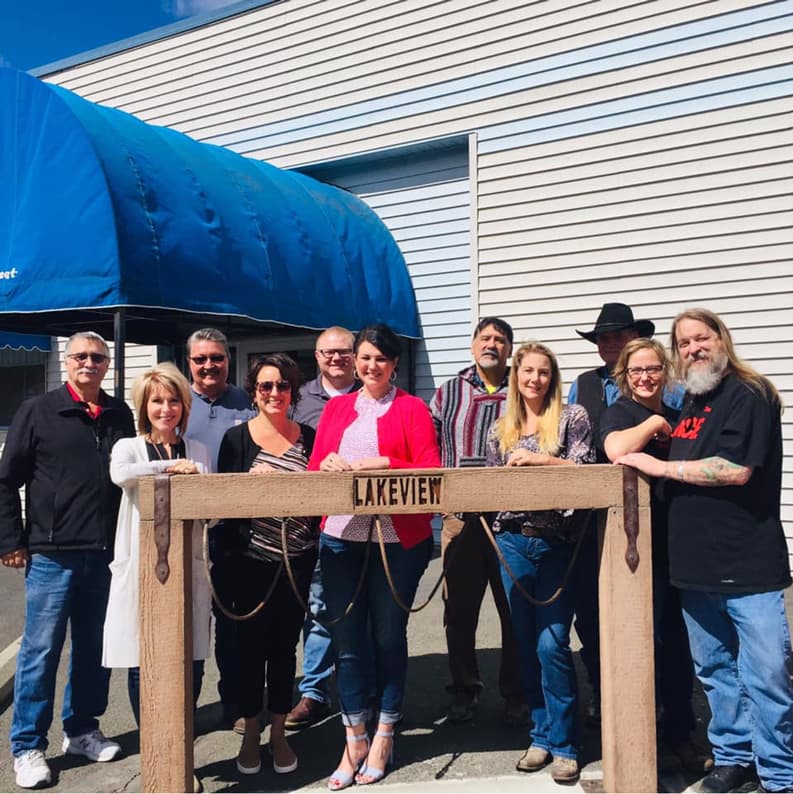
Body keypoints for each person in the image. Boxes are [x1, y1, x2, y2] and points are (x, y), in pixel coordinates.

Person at [615, 308, 793, 794]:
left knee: (767, 677)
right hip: (695, 567)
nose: (693, 348)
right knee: (715, 673)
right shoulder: (691, 403)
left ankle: (779, 775)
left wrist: (659, 468)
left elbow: (735, 469)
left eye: (700, 338)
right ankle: (734, 761)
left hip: (747, 563)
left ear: (721, 338)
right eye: (684, 343)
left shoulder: (749, 394)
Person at [0, 332, 135, 789]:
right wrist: (10, 540)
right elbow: (5, 480)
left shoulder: (119, 414)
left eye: (98, 357)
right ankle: (27, 746)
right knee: (41, 652)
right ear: (66, 360)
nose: (89, 364)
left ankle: (81, 729)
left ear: (107, 363)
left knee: (94, 650)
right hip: (52, 555)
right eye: (81, 356)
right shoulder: (37, 411)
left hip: (103, 554)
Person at [308, 323, 440, 790]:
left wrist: (385, 464)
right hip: (343, 534)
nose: (371, 366)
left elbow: (429, 468)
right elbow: (316, 465)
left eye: (380, 359)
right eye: (364, 358)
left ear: (394, 363)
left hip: (395, 538)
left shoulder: (413, 408)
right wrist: (325, 464)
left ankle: (385, 730)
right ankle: (354, 735)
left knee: (387, 633)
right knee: (346, 638)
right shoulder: (339, 408)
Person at [600, 339, 710, 774]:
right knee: (644, 644)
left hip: (683, 542)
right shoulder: (621, 413)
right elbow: (614, 449)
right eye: (635, 371)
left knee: (680, 645)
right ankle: (643, 740)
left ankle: (680, 733)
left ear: (665, 371)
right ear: (624, 377)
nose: (645, 377)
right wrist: (654, 427)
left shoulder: (686, 411)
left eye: (652, 369)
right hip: (638, 548)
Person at [486, 341, 593, 784]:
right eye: (528, 371)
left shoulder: (572, 418)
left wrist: (539, 460)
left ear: (553, 377)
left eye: (543, 372)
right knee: (525, 642)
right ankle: (540, 735)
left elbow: (584, 467)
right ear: (517, 376)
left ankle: (566, 744)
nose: (535, 379)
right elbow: (491, 485)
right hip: (512, 542)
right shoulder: (500, 427)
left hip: (554, 542)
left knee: (553, 644)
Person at [217, 353, 317, 777]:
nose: (274, 393)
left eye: (282, 386)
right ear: (254, 392)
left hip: (295, 565)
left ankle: (279, 732)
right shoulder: (236, 440)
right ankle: (251, 731)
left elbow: (321, 496)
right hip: (248, 564)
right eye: (265, 386)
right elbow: (223, 504)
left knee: (283, 652)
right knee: (247, 653)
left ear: (293, 392)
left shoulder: (309, 437)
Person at [567, 301, 665, 723]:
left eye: (617, 336)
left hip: (650, 507)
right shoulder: (582, 384)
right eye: (603, 337)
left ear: (633, 339)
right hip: (592, 509)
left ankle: (652, 698)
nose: (609, 343)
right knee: (590, 606)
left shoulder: (657, 384)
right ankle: (602, 687)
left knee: (654, 608)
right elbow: (567, 433)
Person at [102, 362, 213, 726]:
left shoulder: (198, 449)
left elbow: (211, 507)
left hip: (188, 564)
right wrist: (169, 468)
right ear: (144, 407)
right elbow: (121, 475)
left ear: (184, 406)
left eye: (173, 401)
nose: (166, 409)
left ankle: (183, 739)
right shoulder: (129, 447)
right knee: (143, 655)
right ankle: (152, 741)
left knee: (190, 658)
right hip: (142, 563)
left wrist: (190, 469)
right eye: (157, 401)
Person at [429, 317, 527, 725]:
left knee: (514, 609)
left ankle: (517, 693)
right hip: (461, 517)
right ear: (472, 346)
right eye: (485, 338)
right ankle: (464, 689)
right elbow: (430, 444)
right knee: (460, 610)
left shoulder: (523, 389)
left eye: (500, 340)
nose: (492, 345)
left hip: (512, 517)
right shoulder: (449, 391)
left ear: (509, 349)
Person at [182, 328, 256, 731]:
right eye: (200, 359)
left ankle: (237, 705)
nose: (209, 365)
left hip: (233, 531)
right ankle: (185, 711)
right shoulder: (176, 400)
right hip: (187, 532)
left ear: (228, 359)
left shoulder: (247, 402)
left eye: (217, 357)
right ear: (188, 361)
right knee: (188, 626)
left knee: (233, 625)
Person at [286, 326, 357, 731]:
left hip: (359, 522)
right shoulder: (299, 399)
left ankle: (357, 688)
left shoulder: (370, 395)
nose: (337, 358)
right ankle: (313, 691)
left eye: (344, 351)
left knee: (355, 609)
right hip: (309, 521)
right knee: (318, 608)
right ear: (316, 355)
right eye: (328, 352)